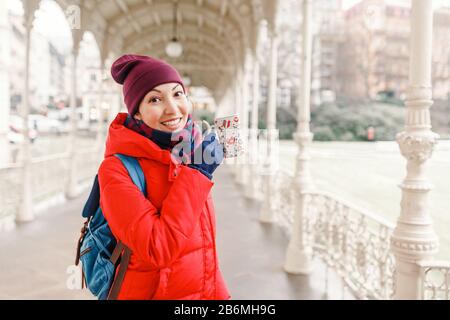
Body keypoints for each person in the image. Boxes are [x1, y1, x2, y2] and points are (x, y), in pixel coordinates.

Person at [98, 54, 230, 300]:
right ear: (136, 113)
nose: (173, 108)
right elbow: (157, 249)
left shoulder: (189, 152)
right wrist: (197, 174)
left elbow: (203, 244)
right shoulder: (116, 169)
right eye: (155, 99)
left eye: (177, 94)